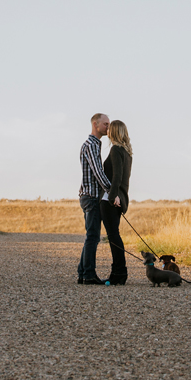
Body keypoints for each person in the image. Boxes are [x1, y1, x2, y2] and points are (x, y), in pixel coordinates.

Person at [77, 112, 110, 285]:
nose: (108, 127)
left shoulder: (93, 144)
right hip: (91, 197)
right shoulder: (91, 145)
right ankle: (89, 274)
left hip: (88, 195)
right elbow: (98, 172)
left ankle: (83, 272)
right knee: (93, 236)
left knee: (92, 235)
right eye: (106, 124)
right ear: (95, 125)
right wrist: (112, 191)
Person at [99, 120, 132, 286]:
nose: (107, 131)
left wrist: (112, 197)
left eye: (109, 128)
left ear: (114, 132)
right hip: (120, 199)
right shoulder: (127, 152)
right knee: (114, 235)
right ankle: (119, 273)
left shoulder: (116, 149)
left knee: (113, 236)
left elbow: (117, 176)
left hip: (111, 200)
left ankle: (118, 273)